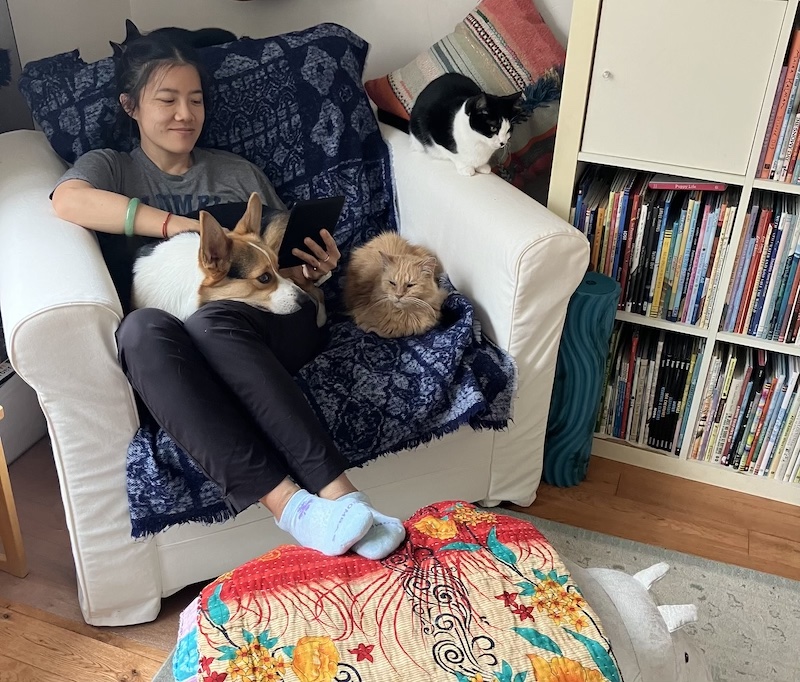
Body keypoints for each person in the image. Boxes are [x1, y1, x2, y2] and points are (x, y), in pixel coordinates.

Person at [51, 33, 405, 560]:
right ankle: (296, 510)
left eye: (195, 99)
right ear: (131, 106)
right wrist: (176, 227)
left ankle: (343, 498)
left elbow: (276, 272)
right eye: (166, 99)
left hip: (266, 327)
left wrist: (313, 270)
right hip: (176, 343)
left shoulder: (237, 173)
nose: (184, 113)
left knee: (214, 319)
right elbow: (67, 200)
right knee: (139, 330)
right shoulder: (113, 168)